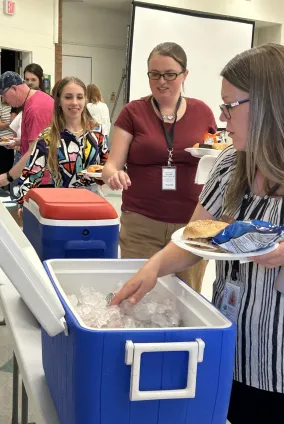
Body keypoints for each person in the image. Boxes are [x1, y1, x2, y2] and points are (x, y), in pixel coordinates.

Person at [112, 43, 284, 424]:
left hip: (282, 359)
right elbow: (196, 238)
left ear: (268, 104)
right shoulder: (229, 163)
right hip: (234, 343)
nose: (222, 119)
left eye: (229, 106)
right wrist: (154, 267)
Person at [102, 42, 217, 292]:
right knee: (139, 296)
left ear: (185, 75)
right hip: (141, 223)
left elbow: (215, 157)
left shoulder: (203, 112)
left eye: (169, 74)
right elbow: (111, 165)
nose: (161, 81)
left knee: (188, 297)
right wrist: (114, 175)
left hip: (192, 224)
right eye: (154, 74)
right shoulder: (133, 112)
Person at [16, 76, 108, 202]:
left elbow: (106, 164)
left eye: (79, 97)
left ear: (85, 100)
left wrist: (112, 175)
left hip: (94, 203)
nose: (75, 102)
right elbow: (31, 174)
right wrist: (23, 202)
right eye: (68, 97)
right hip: (62, 204)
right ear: (59, 101)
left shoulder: (97, 131)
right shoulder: (47, 137)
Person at [0, 71, 54, 189]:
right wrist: (18, 141)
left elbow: (33, 152)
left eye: (4, 95)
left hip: (42, 177)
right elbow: (42, 139)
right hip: (40, 172)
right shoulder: (34, 99)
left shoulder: (35, 109)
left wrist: (7, 177)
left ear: (14, 88)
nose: (4, 100)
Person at [0, 100, 15, 175]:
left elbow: (17, 125)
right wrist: (9, 124)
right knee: (2, 171)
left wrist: (2, 123)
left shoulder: (16, 105)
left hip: (16, 143)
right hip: (2, 144)